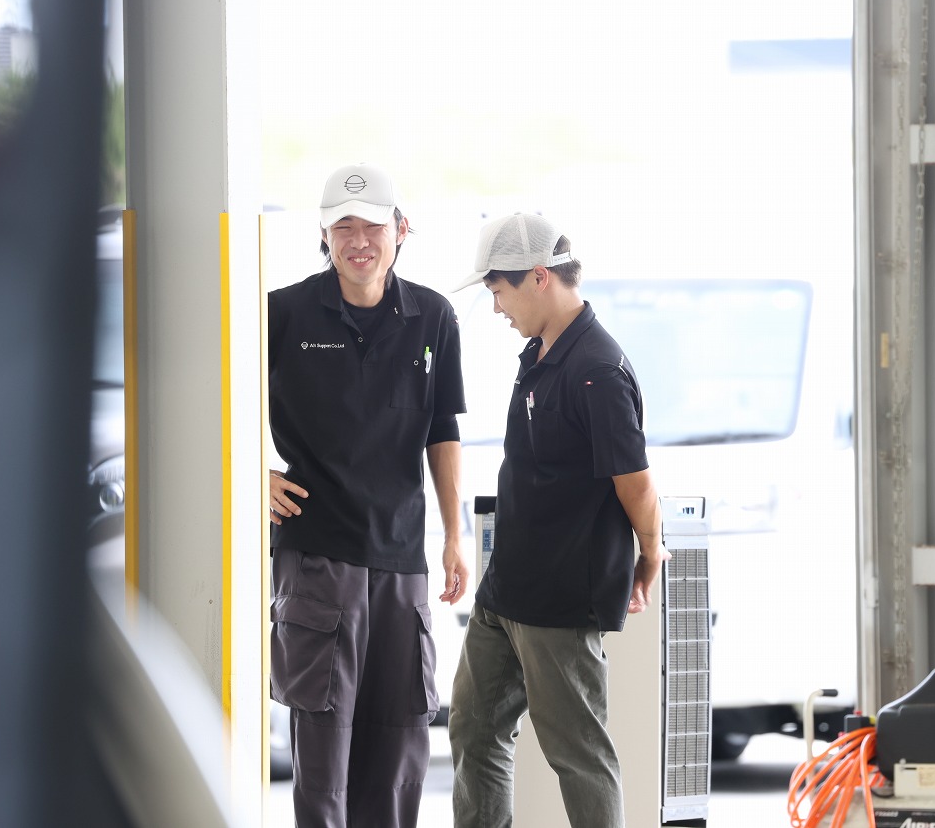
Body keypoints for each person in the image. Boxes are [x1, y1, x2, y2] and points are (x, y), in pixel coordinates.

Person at [448, 212, 668, 828]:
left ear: (539, 276)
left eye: (499, 290)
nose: (496, 307)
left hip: (561, 596)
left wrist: (651, 553)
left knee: (578, 754)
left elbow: (636, 483)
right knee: (473, 728)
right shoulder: (541, 352)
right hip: (506, 588)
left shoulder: (597, 369)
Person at [266, 162, 467, 828]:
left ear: (401, 230)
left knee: (401, 743)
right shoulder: (282, 312)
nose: (358, 241)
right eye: (342, 227)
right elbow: (218, 398)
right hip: (317, 555)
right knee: (324, 753)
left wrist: (454, 536)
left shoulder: (433, 316)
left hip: (403, 558)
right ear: (323, 235)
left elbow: (442, 430)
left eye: (372, 226)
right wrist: (253, 476)